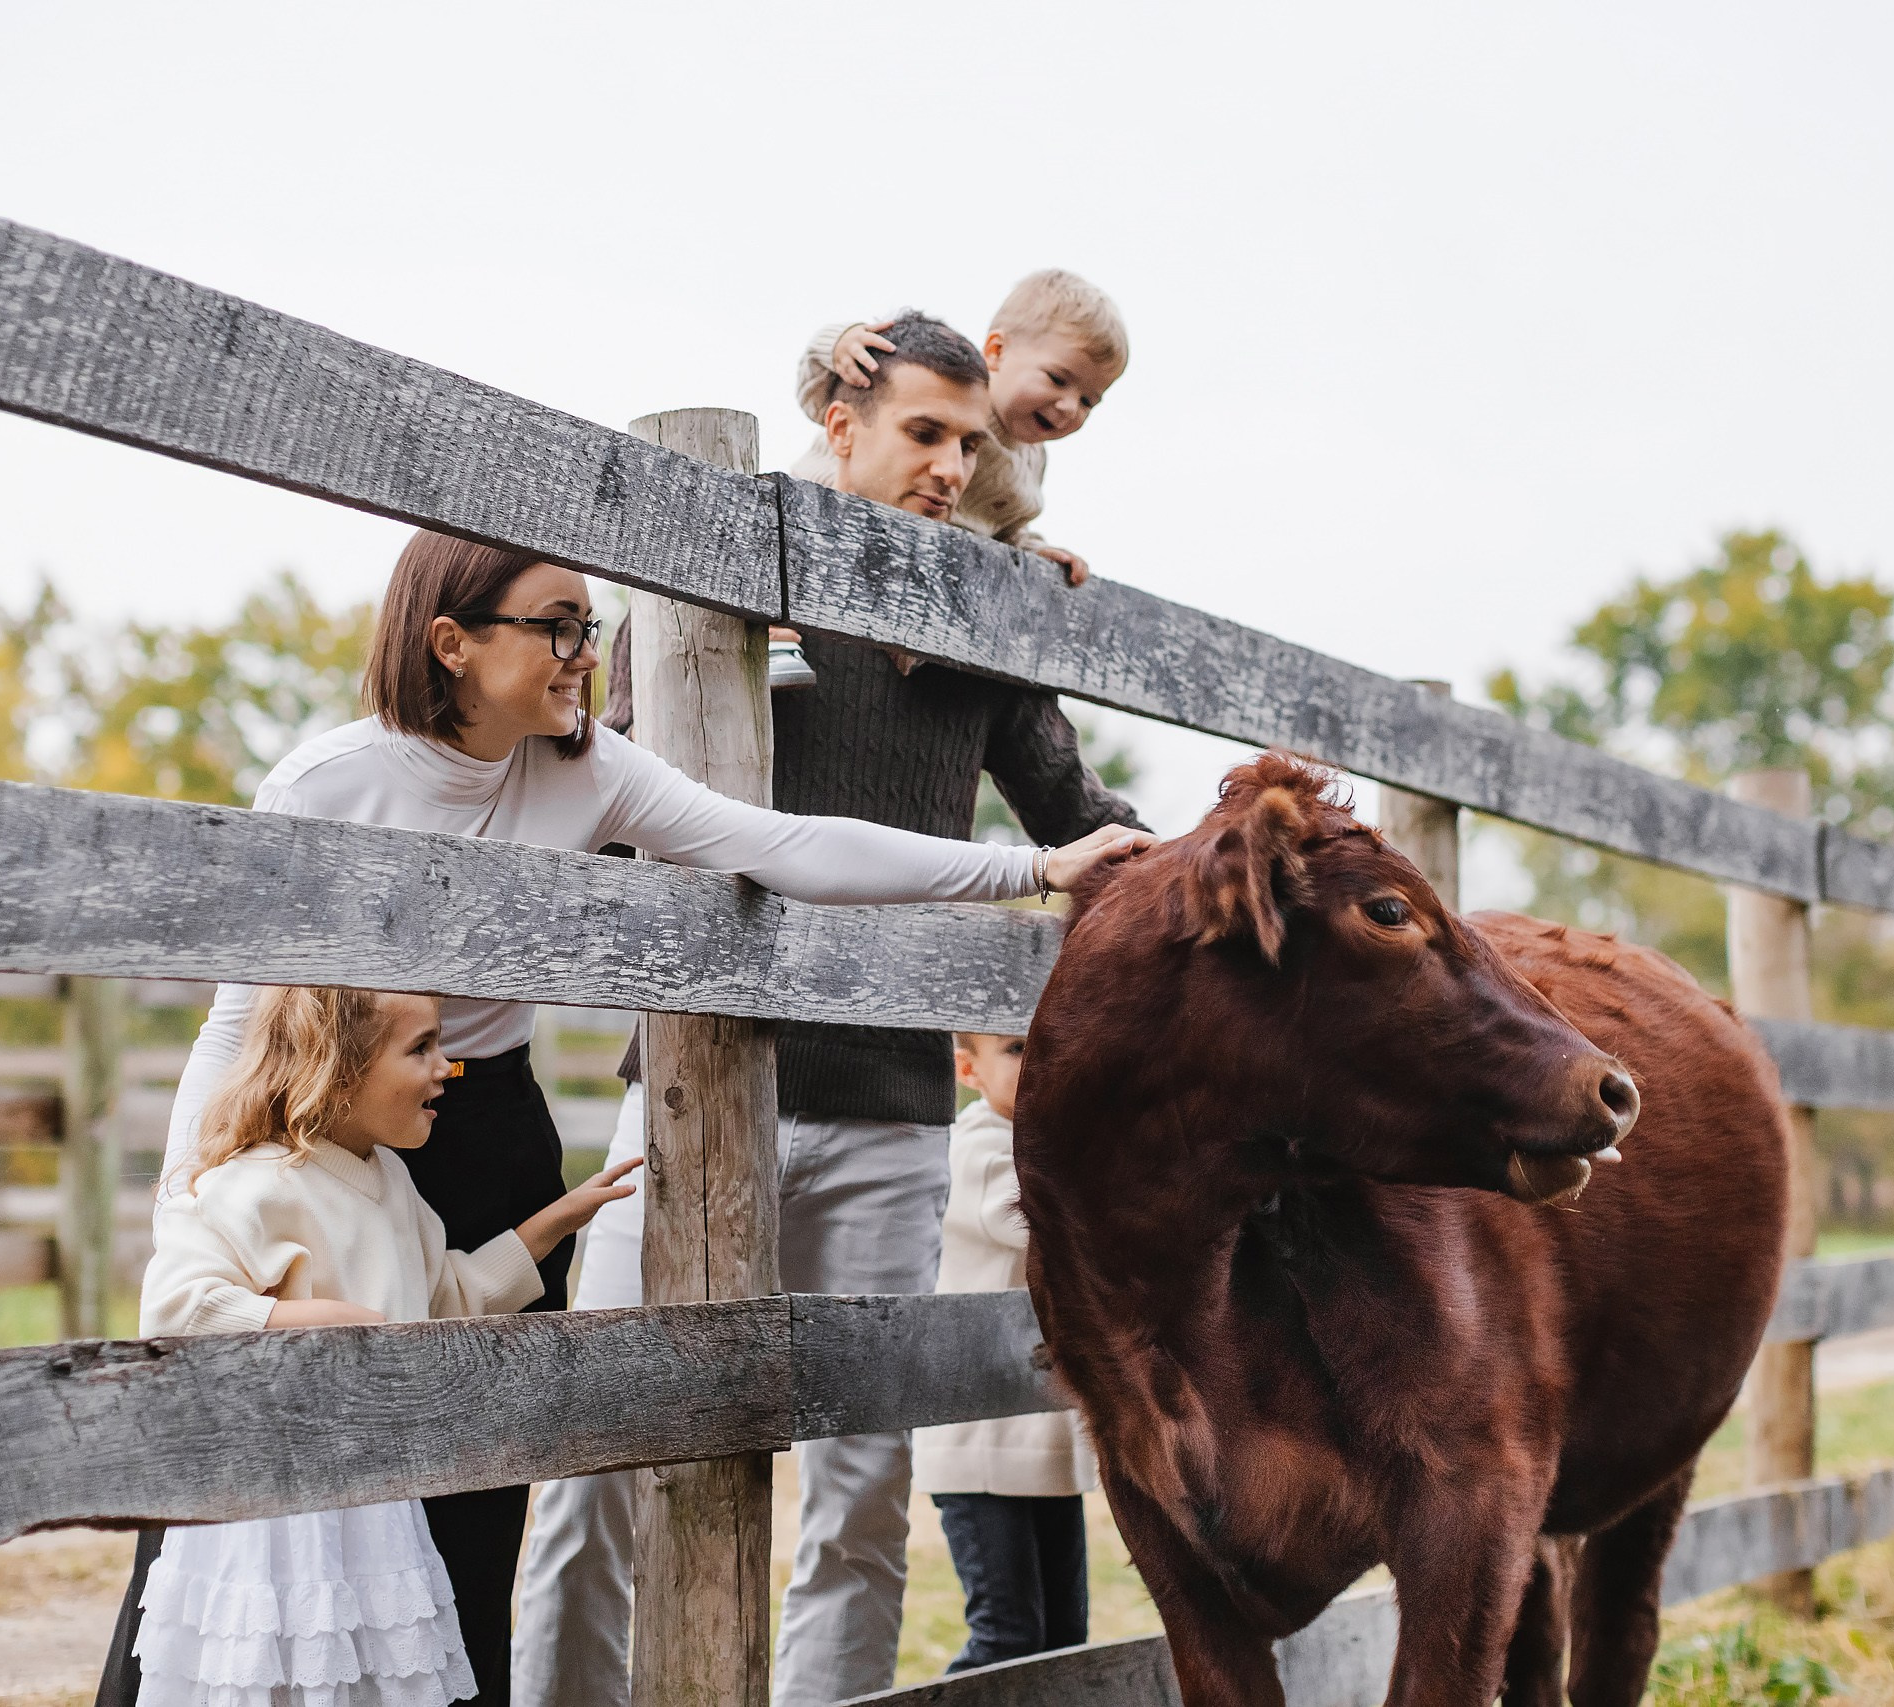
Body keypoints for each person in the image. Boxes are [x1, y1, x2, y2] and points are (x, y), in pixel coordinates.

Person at [94, 527, 1151, 1707]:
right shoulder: (328, 784)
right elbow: (239, 1026)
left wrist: (1034, 867)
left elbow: (785, 846)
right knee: (240, 1444)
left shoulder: (586, 768)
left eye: (585, 628)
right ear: (451, 643)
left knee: (483, 1474)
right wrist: (190, 1207)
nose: (584, 656)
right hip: (315, 1139)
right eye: (556, 627)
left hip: (487, 1125)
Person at [518, 311, 1146, 1707]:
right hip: (683, 1080)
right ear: (843, 422)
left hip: (890, 1110)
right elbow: (608, 791)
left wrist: (1219, 856)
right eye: (922, 432)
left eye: (967, 444)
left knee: (858, 1487)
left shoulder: (979, 615)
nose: (945, 464)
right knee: (599, 1459)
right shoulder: (721, 565)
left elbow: (1075, 812)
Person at [128, 984, 643, 1707]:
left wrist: (552, 1224)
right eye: (422, 1048)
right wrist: (322, 1320)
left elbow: (448, 1298)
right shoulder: (257, 1183)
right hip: (277, 1520)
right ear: (340, 1071)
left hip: (375, 1514)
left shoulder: (392, 1185)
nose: (448, 1068)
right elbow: (179, 1306)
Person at [916, 1031, 1096, 1673]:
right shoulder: (979, 1146)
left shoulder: (1054, 1148)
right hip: (981, 1446)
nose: (1041, 1060)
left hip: (1042, 1438)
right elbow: (1026, 1221)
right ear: (967, 1068)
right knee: (1007, 1637)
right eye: (1018, 1048)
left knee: (1065, 1639)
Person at [790, 268, 1128, 582]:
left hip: (920, 557)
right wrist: (840, 344)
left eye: (1088, 401)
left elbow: (1004, 529)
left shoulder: (1031, 462)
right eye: (1057, 378)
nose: (1070, 406)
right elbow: (825, 390)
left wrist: (1032, 553)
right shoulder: (943, 387)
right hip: (823, 517)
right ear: (996, 351)